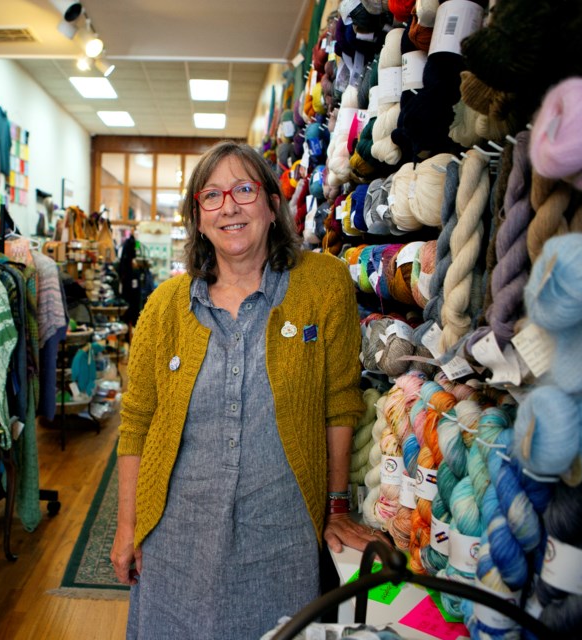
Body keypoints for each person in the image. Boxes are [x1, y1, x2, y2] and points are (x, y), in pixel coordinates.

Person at [110, 140, 386, 639]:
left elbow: (340, 402)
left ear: (271, 203)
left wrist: (337, 506)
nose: (229, 206)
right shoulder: (165, 305)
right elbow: (136, 424)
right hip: (175, 534)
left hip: (280, 534)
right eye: (211, 196)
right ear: (197, 217)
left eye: (243, 189)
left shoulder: (323, 284)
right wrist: (127, 526)